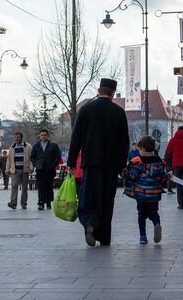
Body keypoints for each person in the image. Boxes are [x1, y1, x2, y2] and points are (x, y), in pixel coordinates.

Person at [67, 78, 129, 247]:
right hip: (111, 166)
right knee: (107, 201)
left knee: (89, 198)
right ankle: (104, 237)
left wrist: (71, 162)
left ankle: (90, 224)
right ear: (112, 93)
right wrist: (122, 166)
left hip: (90, 163)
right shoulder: (118, 112)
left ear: (99, 90)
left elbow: (76, 138)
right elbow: (125, 142)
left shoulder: (86, 109)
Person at [122, 136, 167, 244]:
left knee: (141, 215)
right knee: (154, 212)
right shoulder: (160, 161)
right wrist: (168, 176)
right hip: (155, 194)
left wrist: (122, 172)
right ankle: (157, 224)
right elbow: (162, 177)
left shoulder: (137, 161)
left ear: (142, 149)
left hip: (141, 194)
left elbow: (132, 176)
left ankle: (143, 236)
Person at [31, 129, 61, 210]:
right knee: (41, 187)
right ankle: (41, 203)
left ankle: (48, 202)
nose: (43, 136)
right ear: (40, 136)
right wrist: (36, 164)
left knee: (49, 187)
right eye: (42, 135)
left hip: (50, 170)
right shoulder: (36, 146)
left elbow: (58, 156)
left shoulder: (53, 145)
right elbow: (32, 157)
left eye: (45, 135)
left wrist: (53, 165)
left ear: (47, 136)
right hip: (40, 170)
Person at [6, 132, 33, 209]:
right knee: (14, 186)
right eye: (15, 137)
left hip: (25, 170)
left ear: (21, 138)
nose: (16, 139)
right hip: (15, 170)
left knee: (24, 188)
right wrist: (7, 170)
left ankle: (23, 204)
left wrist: (31, 168)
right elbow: (9, 159)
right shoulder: (12, 147)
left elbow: (31, 158)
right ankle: (13, 203)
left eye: (18, 137)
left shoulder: (28, 146)